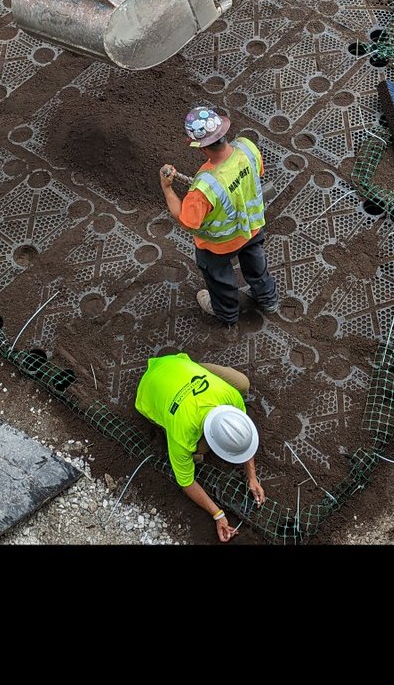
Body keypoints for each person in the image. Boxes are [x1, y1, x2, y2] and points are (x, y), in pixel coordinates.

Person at [160, 105, 280, 325]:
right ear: (223, 132)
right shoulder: (247, 147)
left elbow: (187, 222)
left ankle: (226, 312)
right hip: (251, 228)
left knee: (219, 279)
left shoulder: (203, 186)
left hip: (218, 245)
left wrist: (167, 188)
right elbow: (257, 174)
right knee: (256, 263)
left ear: (200, 147)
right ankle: (268, 298)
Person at [135, 351, 264, 541]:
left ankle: (193, 371)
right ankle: (165, 415)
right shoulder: (184, 434)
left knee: (242, 383)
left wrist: (252, 477)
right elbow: (186, 481)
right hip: (149, 387)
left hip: (178, 365)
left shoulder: (232, 398)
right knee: (198, 453)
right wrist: (217, 514)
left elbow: (241, 437)